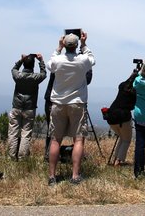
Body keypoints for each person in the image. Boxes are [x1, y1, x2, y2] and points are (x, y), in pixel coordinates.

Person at [47, 31, 95, 186]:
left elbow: (50, 64)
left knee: (55, 140)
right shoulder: (82, 61)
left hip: (58, 103)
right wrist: (84, 43)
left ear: (65, 44)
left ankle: (52, 176)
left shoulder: (58, 61)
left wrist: (58, 48)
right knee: (79, 139)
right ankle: (75, 176)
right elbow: (92, 59)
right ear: (75, 46)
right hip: (77, 103)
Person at [8, 53, 47, 159]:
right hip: (29, 108)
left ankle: (11, 156)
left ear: (24, 64)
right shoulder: (36, 78)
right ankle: (22, 157)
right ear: (33, 65)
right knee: (26, 133)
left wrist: (21, 60)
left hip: (16, 106)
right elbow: (44, 73)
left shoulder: (18, 76)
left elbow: (14, 69)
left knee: (13, 132)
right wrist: (41, 61)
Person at [104, 69, 137, 166]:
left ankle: (115, 159)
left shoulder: (122, 86)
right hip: (123, 117)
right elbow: (132, 106)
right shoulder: (135, 92)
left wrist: (133, 74)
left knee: (122, 138)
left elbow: (128, 81)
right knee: (126, 140)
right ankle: (118, 161)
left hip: (111, 116)